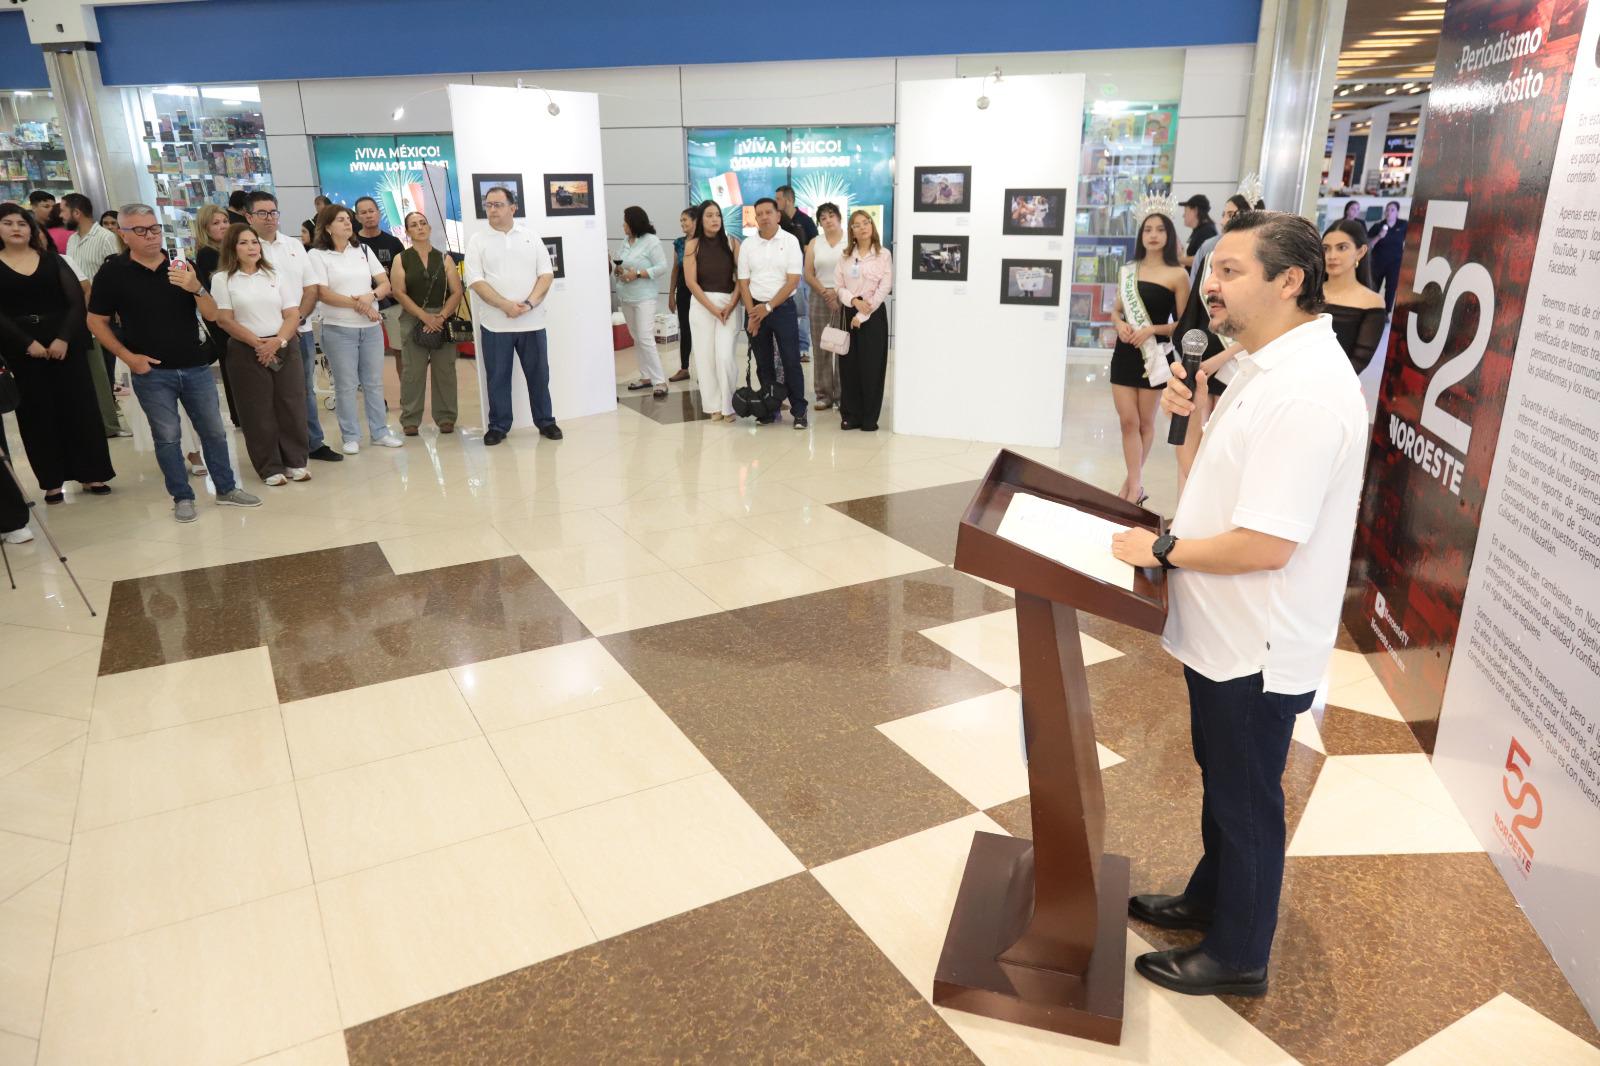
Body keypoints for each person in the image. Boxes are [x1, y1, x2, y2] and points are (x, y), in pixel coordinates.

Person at [1112, 210, 1365, 999]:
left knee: (1247, 795)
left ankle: (1239, 953)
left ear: (1289, 281)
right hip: (1220, 632)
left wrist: (1163, 551)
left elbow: (1266, 544)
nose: (1211, 285)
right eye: (1213, 269)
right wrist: (1188, 416)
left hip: (1256, 642)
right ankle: (1209, 898)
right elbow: (1205, 486)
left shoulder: (1307, 394)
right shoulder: (1257, 365)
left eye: (1231, 271)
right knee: (1221, 778)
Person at [86, 203, 261, 521]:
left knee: (214, 432)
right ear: (124, 235)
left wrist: (195, 287)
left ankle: (226, 488)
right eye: (140, 230)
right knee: (167, 437)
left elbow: (211, 315)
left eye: (154, 228)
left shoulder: (181, 264)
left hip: (195, 365)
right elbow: (96, 321)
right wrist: (128, 357)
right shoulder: (113, 272)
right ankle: (182, 496)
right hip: (151, 371)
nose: (150, 236)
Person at [0, 203, 115, 503]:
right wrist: (27, 343)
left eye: (22, 223)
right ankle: (52, 481)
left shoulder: (53, 260)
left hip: (65, 343)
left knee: (79, 407)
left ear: (31, 229)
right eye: (8, 223)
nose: (16, 229)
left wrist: (63, 338)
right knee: (37, 413)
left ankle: (92, 473)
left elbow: (76, 302)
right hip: (20, 347)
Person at [210, 223, 309, 485]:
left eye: (254, 242)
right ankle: (269, 466)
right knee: (257, 410)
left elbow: (292, 313)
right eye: (243, 243)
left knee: (291, 404)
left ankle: (295, 461)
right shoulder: (223, 279)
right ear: (232, 247)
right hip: (246, 349)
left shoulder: (274, 274)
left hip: (283, 345)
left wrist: (277, 341)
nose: (251, 247)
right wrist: (258, 343)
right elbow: (225, 320)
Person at [246, 190, 340, 463]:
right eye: (262, 213)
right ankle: (277, 449)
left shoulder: (294, 246)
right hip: (262, 335)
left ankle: (312, 442)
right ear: (249, 216)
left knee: (303, 390)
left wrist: (296, 320)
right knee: (269, 395)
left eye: (273, 212)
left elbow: (310, 288)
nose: (269, 218)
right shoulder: (245, 249)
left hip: (301, 330)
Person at [463, 185, 560, 445]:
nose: (492, 210)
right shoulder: (477, 240)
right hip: (495, 325)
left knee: (539, 376)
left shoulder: (531, 237)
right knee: (497, 378)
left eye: (498, 204)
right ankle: (499, 425)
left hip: (533, 323)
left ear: (512, 207)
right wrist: (505, 305)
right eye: (489, 205)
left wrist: (528, 304)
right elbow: (474, 280)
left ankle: (546, 421)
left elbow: (546, 274)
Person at [308, 204, 401, 453]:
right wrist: (360, 304)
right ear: (327, 227)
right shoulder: (318, 256)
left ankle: (380, 431)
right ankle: (350, 435)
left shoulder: (363, 250)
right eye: (341, 220)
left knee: (373, 382)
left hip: (370, 328)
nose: (348, 224)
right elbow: (323, 293)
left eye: (349, 219)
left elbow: (384, 283)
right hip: (338, 329)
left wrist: (370, 297)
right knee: (346, 385)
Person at [1111, 210, 1189, 504]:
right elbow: (1116, 310)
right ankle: (1135, 485)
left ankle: (1132, 486)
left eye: (1160, 230)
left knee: (1145, 423)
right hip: (1125, 352)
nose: (1153, 235)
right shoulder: (1129, 270)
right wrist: (1120, 325)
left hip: (1153, 355)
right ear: (1141, 236)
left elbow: (1183, 323)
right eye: (1147, 230)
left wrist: (1151, 330)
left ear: (1169, 236)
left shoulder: (1178, 274)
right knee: (1127, 422)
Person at [1174, 195, 1252, 487]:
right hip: (1203, 356)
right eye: (1226, 213)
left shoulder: (1257, 267)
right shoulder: (1209, 255)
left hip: (1235, 362)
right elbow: (1195, 307)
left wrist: (1224, 356)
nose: (1228, 219)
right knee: (1192, 434)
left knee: (1224, 437)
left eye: (1236, 213)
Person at [61, 192, 129, 439]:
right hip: (82, 316)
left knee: (107, 368)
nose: (61, 215)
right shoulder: (71, 242)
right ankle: (102, 417)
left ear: (76, 212)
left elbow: (118, 274)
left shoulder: (105, 238)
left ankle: (111, 420)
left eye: (64, 210)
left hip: (105, 314)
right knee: (95, 370)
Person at [736, 198, 806, 429]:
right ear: (755, 218)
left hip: (782, 308)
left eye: (768, 212)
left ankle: (799, 410)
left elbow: (793, 280)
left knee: (791, 361)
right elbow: (743, 283)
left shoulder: (790, 241)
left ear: (777, 215)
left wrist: (768, 308)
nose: (764, 217)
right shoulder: (748, 245)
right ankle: (769, 407)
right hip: (754, 308)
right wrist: (753, 314)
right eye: (760, 214)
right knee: (763, 363)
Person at [391, 211, 463, 435]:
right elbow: (399, 292)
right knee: (413, 371)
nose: (420, 227)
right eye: (414, 225)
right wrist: (424, 317)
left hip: (442, 318)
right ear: (407, 231)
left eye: (423, 223)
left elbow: (456, 291)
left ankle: (446, 417)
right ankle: (410, 419)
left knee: (445, 370)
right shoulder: (401, 258)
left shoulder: (445, 258)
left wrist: (440, 317)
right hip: (413, 318)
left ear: (429, 228)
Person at [683, 200, 742, 423]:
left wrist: (731, 305)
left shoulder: (733, 243)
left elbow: (741, 279)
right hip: (702, 305)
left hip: (729, 304)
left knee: (725, 356)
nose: (714, 219)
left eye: (717, 215)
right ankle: (713, 406)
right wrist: (712, 308)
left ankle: (729, 405)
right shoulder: (692, 246)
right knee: (705, 357)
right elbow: (691, 282)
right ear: (701, 220)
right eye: (709, 215)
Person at [834, 210, 892, 432]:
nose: (863, 227)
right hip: (850, 311)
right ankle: (851, 415)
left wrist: (863, 314)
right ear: (852, 231)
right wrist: (854, 303)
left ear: (872, 225)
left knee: (871, 367)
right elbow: (838, 286)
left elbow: (884, 287)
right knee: (849, 367)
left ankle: (869, 417)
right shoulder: (846, 255)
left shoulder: (883, 254)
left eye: (866, 222)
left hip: (873, 314)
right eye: (857, 224)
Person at [192, 204, 241, 427]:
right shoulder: (207, 254)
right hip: (221, 317)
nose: (222, 226)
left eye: (225, 221)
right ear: (205, 228)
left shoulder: (228, 250)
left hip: (233, 315)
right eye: (216, 223)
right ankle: (239, 413)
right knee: (231, 363)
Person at [616, 206, 671, 398]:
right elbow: (620, 261)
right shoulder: (626, 241)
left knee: (645, 337)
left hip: (644, 297)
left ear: (634, 222)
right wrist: (619, 271)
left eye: (625, 221)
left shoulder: (651, 241)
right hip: (626, 296)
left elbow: (662, 267)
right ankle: (645, 376)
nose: (623, 225)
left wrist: (638, 274)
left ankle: (659, 380)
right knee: (636, 337)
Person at [1321, 220, 1386, 374]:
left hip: (1336, 387)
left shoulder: (1372, 302)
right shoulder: (1307, 292)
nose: (1332, 256)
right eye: (1326, 249)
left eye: (1342, 248)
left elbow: (1359, 361)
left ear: (1360, 252)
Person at [803, 203, 847, 411]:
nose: (827, 220)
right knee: (822, 347)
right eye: (823, 218)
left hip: (844, 296)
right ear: (819, 222)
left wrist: (837, 293)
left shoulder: (850, 240)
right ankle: (823, 394)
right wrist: (824, 292)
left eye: (831, 216)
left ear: (839, 218)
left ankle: (841, 394)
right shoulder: (815, 242)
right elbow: (808, 273)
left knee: (841, 346)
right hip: (819, 296)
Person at [353, 196, 406, 361]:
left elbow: (404, 272)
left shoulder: (393, 242)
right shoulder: (351, 243)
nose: (368, 215)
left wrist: (396, 290)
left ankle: (404, 387)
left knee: (401, 351)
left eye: (371, 211)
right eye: (363, 212)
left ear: (379, 213)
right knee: (363, 354)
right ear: (357, 217)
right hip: (362, 305)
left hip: (392, 304)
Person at [774, 185, 817, 361]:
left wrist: (803, 249)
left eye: (778, 199)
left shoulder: (805, 220)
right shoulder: (777, 220)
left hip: (801, 272)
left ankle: (803, 348)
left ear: (789, 200)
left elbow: (815, 245)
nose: (776, 202)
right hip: (780, 272)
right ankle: (784, 347)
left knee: (802, 309)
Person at [666, 205, 700, 384]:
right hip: (683, 291)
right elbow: (675, 269)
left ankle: (704, 370)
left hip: (701, 292)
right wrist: (671, 293)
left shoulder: (705, 241)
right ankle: (684, 368)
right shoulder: (679, 243)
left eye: (684, 219)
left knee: (702, 329)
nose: (682, 223)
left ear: (695, 221)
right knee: (685, 329)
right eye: (681, 220)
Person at [1366, 201, 1407, 313]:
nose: (1389, 212)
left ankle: (1386, 312)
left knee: (1391, 288)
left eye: (1392, 210)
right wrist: (1379, 236)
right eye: (1387, 210)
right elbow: (1368, 245)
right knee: (1374, 287)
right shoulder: (1378, 226)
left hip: (1395, 263)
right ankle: (1370, 310)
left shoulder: (1403, 225)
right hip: (1378, 262)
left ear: (1397, 212)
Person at [1179, 195, 1216, 269]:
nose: (1183, 215)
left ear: (1195, 211)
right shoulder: (1198, 230)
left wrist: (1176, 259)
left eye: (1186, 211)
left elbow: (1202, 259)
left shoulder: (1207, 231)